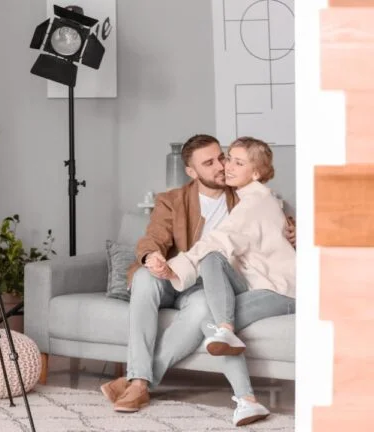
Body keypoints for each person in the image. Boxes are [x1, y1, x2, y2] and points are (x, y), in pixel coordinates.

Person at [99, 135, 295, 419]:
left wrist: (296, 229)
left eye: (223, 158)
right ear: (191, 171)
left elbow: (266, 221)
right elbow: (152, 239)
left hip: (206, 284)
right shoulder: (172, 200)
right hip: (170, 277)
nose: (221, 166)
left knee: (207, 309)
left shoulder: (240, 196)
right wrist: (152, 258)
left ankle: (137, 383)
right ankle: (140, 379)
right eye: (210, 162)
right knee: (143, 278)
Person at [165, 137, 296, 426]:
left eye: (239, 162)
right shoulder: (249, 199)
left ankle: (246, 398)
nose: (228, 166)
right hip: (258, 284)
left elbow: (221, 238)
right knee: (212, 260)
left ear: (257, 173)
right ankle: (245, 394)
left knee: (211, 317)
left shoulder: (255, 201)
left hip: (282, 291)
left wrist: (177, 267)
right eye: (228, 158)